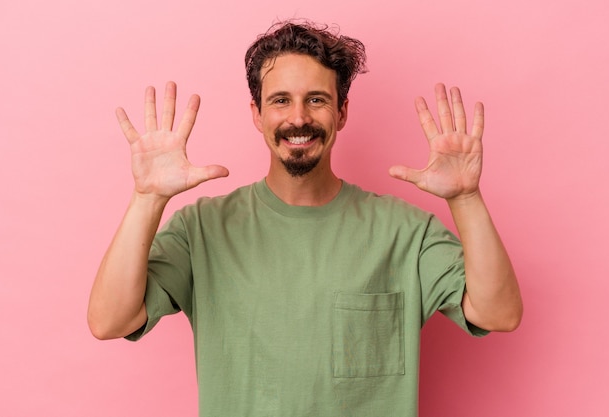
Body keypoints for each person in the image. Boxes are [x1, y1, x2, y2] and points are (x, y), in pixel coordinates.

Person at [88, 20, 522, 416]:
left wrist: (466, 198)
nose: (298, 118)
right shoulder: (200, 229)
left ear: (342, 112)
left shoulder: (405, 232)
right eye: (281, 101)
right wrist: (147, 198)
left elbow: (498, 313)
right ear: (257, 114)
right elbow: (110, 321)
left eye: (316, 100)